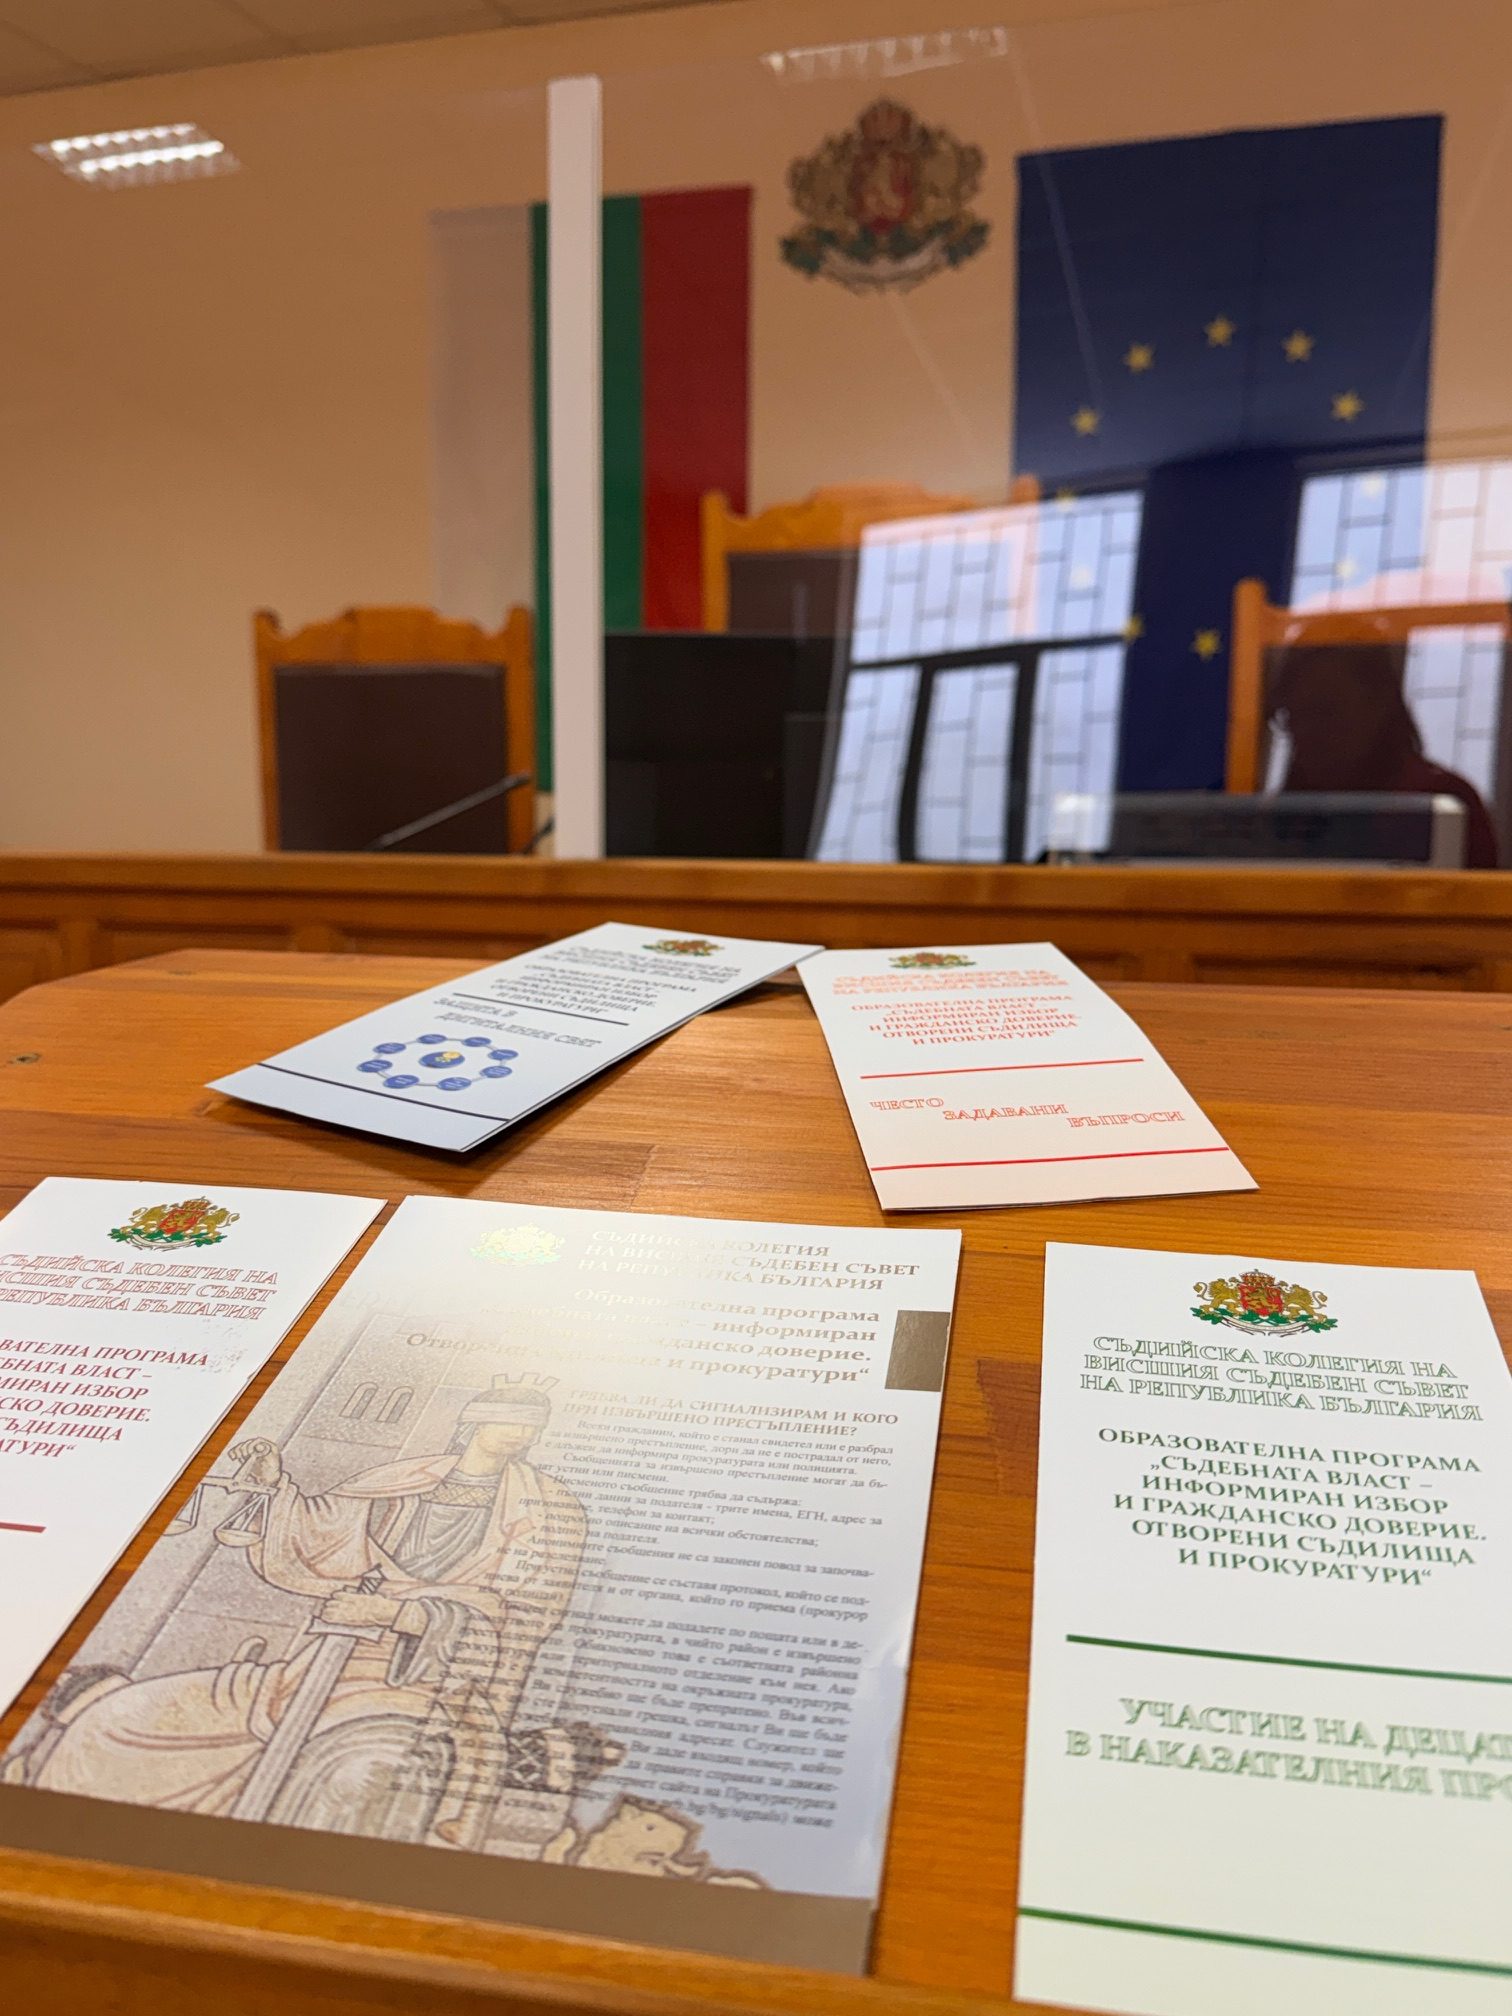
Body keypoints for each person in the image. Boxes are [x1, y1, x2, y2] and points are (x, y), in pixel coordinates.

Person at [15, 1375, 588, 1844]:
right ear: (475, 1421)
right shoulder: (406, 1480)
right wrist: (277, 1487)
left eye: (531, 1425)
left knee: (356, 1778)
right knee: (121, 1718)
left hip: (427, 1686)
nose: (522, 1433)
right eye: (511, 1419)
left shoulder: (549, 1507)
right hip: (310, 1668)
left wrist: (395, 1616)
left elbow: (521, 1619)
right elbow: (322, 1531)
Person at [1270, 643, 1499, 867]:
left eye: (1325, 711)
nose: (1304, 731)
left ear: (1380, 704)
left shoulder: (1440, 804)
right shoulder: (1288, 813)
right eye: (1292, 715)